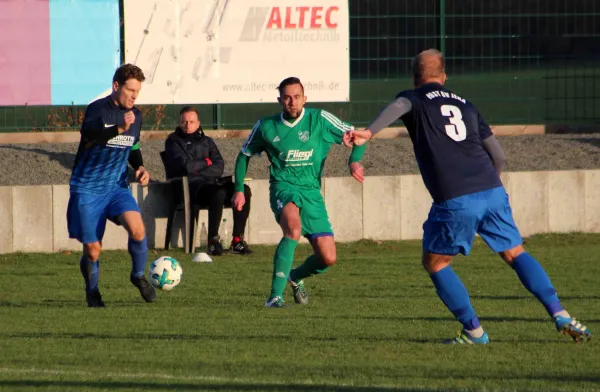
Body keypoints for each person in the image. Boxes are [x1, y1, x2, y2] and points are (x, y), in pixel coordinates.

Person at [348, 49, 592, 344]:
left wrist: (369, 132)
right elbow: (499, 156)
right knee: (515, 252)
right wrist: (488, 186)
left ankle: (474, 332)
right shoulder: (467, 105)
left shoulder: (414, 98)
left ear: (415, 78)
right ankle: (560, 313)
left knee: (436, 263)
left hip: (456, 196)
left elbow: (399, 105)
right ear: (445, 77)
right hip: (491, 190)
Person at [232, 76, 367, 308]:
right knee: (292, 229)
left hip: (312, 192)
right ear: (279, 100)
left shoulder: (319, 120)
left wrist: (353, 162)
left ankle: (295, 277)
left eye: (296, 97)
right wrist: (238, 189)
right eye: (287, 97)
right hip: (283, 188)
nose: (292, 102)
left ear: (305, 99)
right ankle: (275, 296)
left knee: (328, 258)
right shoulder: (266, 126)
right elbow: (243, 155)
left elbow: (359, 137)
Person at [67, 64, 156, 307]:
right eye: (130, 90)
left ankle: (138, 275)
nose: (134, 96)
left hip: (116, 187)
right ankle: (92, 291)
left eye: (137, 91)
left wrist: (140, 167)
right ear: (116, 86)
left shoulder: (136, 115)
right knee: (93, 250)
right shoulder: (98, 109)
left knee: (138, 230)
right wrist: (119, 128)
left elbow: (133, 145)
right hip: (87, 189)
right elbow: (92, 136)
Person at [164, 106, 253, 256]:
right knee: (217, 193)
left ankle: (237, 240)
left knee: (243, 190)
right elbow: (185, 166)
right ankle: (213, 241)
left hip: (213, 182)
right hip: (191, 188)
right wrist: (207, 161)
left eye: (191, 121)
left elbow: (219, 166)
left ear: (198, 123)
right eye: (184, 122)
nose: (187, 125)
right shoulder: (173, 141)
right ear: (179, 122)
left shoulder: (207, 141)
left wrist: (199, 167)